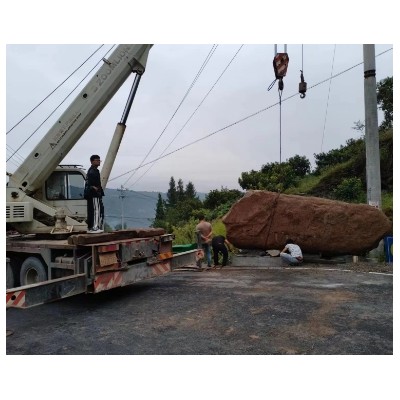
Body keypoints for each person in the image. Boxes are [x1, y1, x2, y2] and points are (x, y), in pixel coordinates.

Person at [84, 154, 105, 233]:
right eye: (97, 160)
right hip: (93, 194)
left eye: (99, 160)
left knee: (93, 210)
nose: (99, 162)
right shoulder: (92, 171)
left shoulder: (93, 170)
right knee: (96, 210)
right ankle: (94, 227)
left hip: (92, 194)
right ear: (92, 161)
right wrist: (95, 188)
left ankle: (92, 227)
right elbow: (92, 184)